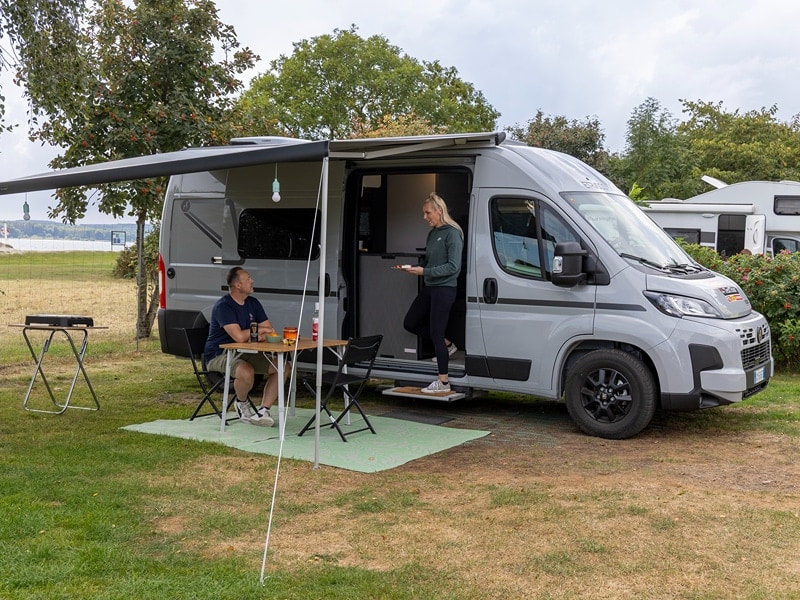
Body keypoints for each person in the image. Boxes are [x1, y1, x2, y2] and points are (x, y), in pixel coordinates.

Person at [204, 266, 284, 426]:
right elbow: (239, 336)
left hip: (246, 351)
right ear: (238, 285)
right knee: (246, 371)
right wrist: (259, 331)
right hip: (219, 354)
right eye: (248, 279)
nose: (252, 281)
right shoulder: (223, 307)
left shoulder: (253, 303)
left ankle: (263, 411)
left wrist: (260, 332)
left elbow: (270, 331)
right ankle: (241, 402)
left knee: (283, 367)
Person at [402, 192, 464, 393]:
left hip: (444, 289)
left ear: (439, 211)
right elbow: (430, 261)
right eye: (424, 213)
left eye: (428, 212)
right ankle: (447, 344)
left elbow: (453, 267)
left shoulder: (452, 234)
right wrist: (414, 267)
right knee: (410, 322)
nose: (425, 217)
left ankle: (443, 383)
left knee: (436, 332)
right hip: (430, 287)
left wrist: (424, 271)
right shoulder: (432, 233)